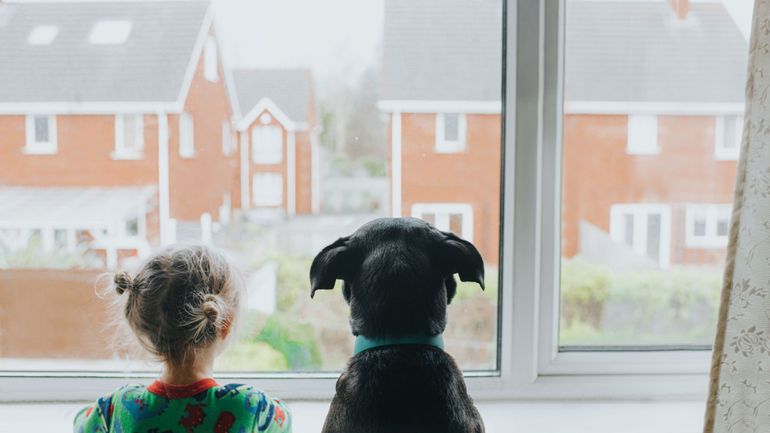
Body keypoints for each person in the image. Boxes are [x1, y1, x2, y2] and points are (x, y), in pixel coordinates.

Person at [73, 245, 291, 432]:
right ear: (224, 325)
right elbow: (285, 422)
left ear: (141, 325)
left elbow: (80, 424)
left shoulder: (119, 407)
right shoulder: (249, 406)